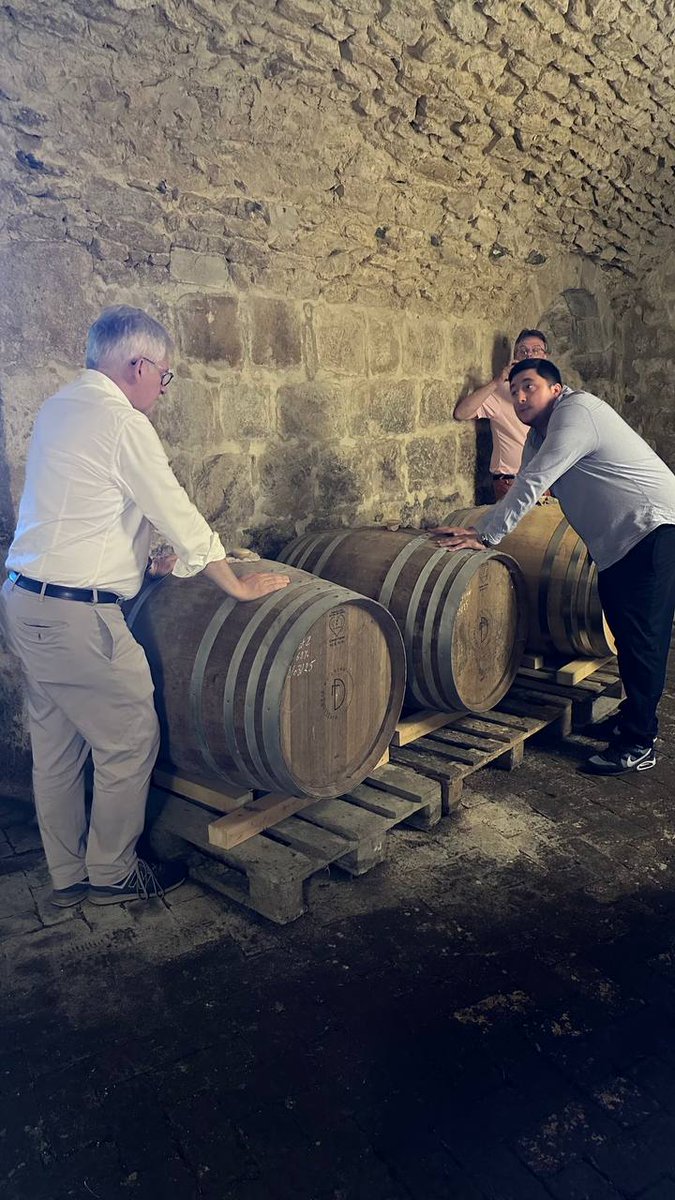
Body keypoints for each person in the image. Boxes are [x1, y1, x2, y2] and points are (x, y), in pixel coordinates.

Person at [0, 306, 290, 907]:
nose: (164, 386)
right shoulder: (121, 422)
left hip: (27, 601)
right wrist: (231, 581)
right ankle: (112, 872)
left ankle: (67, 874)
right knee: (130, 739)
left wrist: (144, 565)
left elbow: (83, 511)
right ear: (138, 365)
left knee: (57, 746)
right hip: (79, 618)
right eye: (166, 374)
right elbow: (174, 509)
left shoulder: (59, 407)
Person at [433, 357, 675, 776]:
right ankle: (635, 719)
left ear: (555, 389)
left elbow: (532, 481)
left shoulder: (576, 413)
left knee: (643, 640)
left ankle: (639, 744)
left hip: (651, 529)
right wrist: (484, 527)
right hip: (619, 543)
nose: (521, 397)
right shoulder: (537, 436)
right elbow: (527, 492)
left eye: (529, 386)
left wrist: (486, 534)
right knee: (629, 634)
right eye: (515, 391)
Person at [454, 329, 549, 499]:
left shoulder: (553, 395)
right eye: (523, 350)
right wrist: (498, 381)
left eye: (536, 350)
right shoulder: (501, 392)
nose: (529, 355)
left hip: (544, 482)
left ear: (545, 357)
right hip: (511, 484)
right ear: (516, 357)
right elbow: (461, 413)